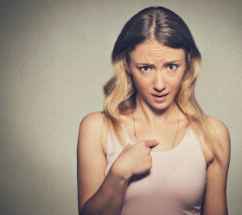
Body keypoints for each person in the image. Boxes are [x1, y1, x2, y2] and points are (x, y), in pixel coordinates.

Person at [77, 6, 231, 215]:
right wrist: (118, 175)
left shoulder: (212, 133)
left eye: (171, 66)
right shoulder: (97, 128)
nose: (159, 84)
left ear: (187, 61)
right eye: (146, 68)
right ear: (127, 64)